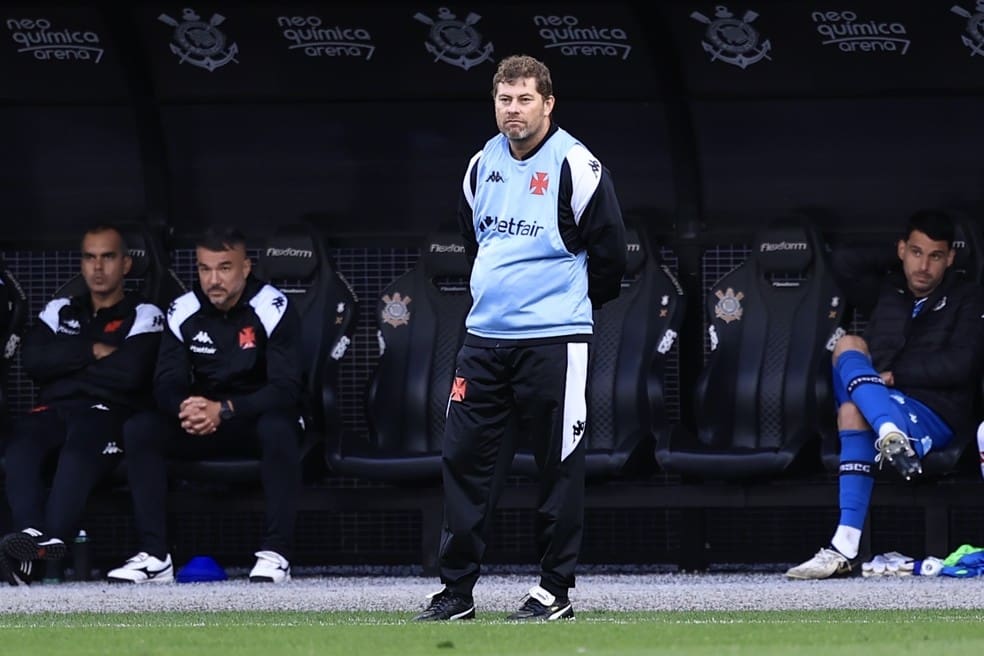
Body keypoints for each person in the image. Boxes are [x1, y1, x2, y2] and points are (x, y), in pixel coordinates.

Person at [413, 54, 627, 621]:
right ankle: (456, 593)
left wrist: (570, 305)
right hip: (483, 341)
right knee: (463, 462)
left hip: (555, 342)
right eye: (505, 99)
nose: (514, 110)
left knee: (558, 465)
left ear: (548, 103)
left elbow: (610, 255)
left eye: (525, 99)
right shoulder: (481, 163)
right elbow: (473, 240)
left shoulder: (577, 165)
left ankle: (553, 591)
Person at [786, 210, 984, 580]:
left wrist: (896, 377)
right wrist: (896, 257)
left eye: (935, 256)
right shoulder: (888, 289)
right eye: (915, 252)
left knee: (851, 411)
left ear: (951, 258)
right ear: (901, 250)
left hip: (934, 411)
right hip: (884, 405)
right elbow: (843, 261)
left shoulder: (967, 297)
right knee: (849, 343)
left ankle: (845, 546)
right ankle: (888, 435)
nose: (924, 266)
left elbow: (963, 366)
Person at [107, 226, 304, 584]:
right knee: (140, 429)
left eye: (224, 268)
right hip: (200, 422)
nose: (213, 279)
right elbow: (165, 382)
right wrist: (187, 406)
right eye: (204, 268)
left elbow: (286, 389)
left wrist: (225, 409)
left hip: (252, 420)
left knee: (280, 427)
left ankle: (277, 554)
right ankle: (155, 556)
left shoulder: (274, 307)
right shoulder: (182, 310)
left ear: (245, 268)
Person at [0, 224, 164, 585]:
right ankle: (29, 535)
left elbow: (130, 373)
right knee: (21, 442)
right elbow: (32, 361)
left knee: (78, 449)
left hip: (106, 413)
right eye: (90, 257)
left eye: (107, 257)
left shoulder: (145, 312)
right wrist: (92, 352)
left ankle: (52, 540)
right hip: (54, 410)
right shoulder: (61, 309)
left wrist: (66, 369)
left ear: (125, 264)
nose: (98, 267)